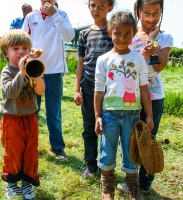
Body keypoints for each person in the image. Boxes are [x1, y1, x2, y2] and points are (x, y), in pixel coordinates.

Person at [94, 11, 154, 200]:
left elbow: (144, 88)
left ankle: (133, 189)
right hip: (109, 114)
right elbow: (98, 89)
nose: (122, 38)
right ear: (110, 31)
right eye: (117, 33)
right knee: (107, 151)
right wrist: (97, 115)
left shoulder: (138, 59)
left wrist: (149, 116)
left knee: (131, 153)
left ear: (134, 33)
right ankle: (107, 189)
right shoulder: (103, 60)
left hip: (132, 115)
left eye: (127, 34)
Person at [117, 0, 173, 194]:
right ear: (137, 12)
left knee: (149, 138)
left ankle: (145, 184)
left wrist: (153, 43)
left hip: (154, 96)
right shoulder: (128, 36)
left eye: (156, 13)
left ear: (161, 13)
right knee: (130, 137)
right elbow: (124, 66)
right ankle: (132, 181)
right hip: (130, 94)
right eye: (146, 12)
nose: (151, 18)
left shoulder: (165, 38)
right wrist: (141, 53)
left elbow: (159, 66)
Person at [22, 0, 75, 159]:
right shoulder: (31, 17)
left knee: (54, 112)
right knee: (32, 110)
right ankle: (30, 146)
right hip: (34, 70)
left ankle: (57, 147)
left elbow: (69, 37)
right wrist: (29, 53)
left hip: (54, 71)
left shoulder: (62, 15)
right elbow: (22, 40)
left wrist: (54, 14)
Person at [0, 29, 45, 199]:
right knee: (13, 153)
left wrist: (36, 73)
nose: (21, 52)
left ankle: (26, 184)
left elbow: (40, 91)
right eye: (15, 48)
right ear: (6, 52)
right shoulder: (7, 71)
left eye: (25, 48)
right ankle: (12, 185)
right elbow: (10, 93)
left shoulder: (31, 68)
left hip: (30, 118)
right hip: (12, 120)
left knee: (30, 153)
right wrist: (21, 72)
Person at [74, 0, 115, 178]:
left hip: (112, 88)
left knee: (110, 127)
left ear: (110, 8)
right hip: (89, 87)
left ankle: (108, 165)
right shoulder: (84, 34)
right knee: (89, 127)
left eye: (101, 6)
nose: (96, 10)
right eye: (92, 5)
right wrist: (77, 89)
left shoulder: (114, 31)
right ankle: (91, 165)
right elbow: (80, 63)